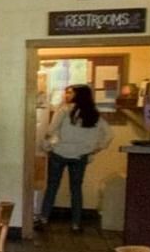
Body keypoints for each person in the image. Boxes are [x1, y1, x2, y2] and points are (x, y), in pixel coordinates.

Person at [39, 83, 110, 232]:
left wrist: (46, 146)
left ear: (78, 95)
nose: (67, 96)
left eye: (70, 93)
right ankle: (76, 223)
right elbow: (109, 135)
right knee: (76, 189)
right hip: (80, 156)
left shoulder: (64, 110)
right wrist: (94, 150)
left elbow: (51, 130)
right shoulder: (94, 114)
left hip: (59, 153)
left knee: (52, 187)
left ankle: (44, 218)